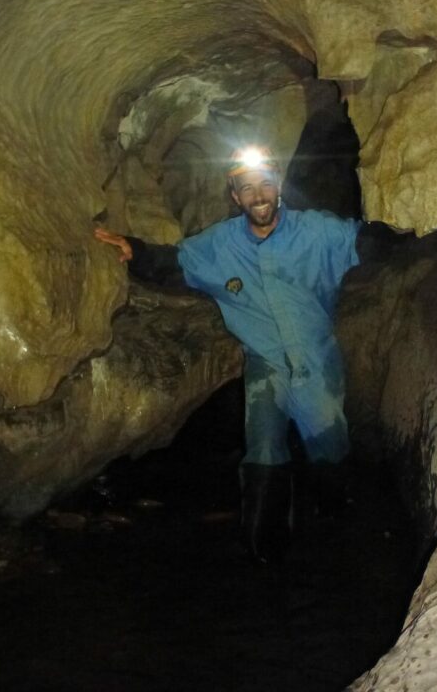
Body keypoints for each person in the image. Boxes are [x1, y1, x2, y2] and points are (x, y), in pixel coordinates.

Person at [94, 145, 393, 565]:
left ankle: (334, 523)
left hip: (317, 360)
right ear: (235, 197)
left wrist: (413, 226)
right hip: (265, 364)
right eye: (246, 188)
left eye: (265, 184)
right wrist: (134, 250)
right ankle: (265, 550)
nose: (258, 195)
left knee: (327, 446)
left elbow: (369, 241)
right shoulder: (218, 246)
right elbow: (173, 263)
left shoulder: (319, 233)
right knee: (265, 450)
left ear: (279, 187)